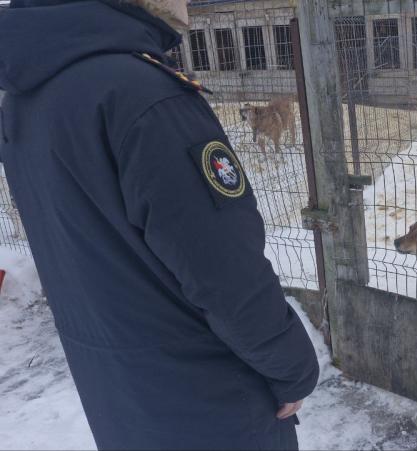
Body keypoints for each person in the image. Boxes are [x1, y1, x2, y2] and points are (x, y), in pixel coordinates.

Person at [0, 0, 319, 449]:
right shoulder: (146, 96)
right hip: (210, 404)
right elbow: (224, 273)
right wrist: (294, 369)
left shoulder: (25, 98)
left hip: (122, 402)